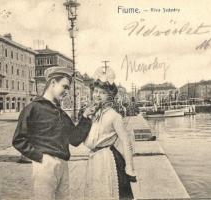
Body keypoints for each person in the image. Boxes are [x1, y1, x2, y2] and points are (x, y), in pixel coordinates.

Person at [12, 67, 96, 200]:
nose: (67, 92)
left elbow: (74, 139)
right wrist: (40, 157)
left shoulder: (61, 113)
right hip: (45, 166)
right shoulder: (33, 108)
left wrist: (85, 118)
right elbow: (18, 140)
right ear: (52, 83)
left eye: (68, 88)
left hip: (63, 165)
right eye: (65, 87)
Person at [84, 66, 136, 200]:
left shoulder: (114, 116)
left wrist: (129, 167)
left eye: (101, 92)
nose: (97, 95)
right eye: (95, 91)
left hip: (107, 159)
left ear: (110, 96)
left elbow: (126, 141)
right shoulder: (93, 114)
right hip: (94, 158)